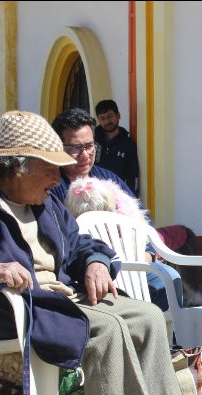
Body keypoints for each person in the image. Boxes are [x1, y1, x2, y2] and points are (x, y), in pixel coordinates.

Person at [0, 110, 194, 395]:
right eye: (50, 168)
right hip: (19, 304)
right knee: (106, 329)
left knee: (146, 316)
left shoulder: (45, 201)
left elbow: (82, 243)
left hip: (62, 295)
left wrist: (97, 263)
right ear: (18, 168)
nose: (58, 178)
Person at [49, 108, 183, 312]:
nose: (85, 155)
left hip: (130, 262)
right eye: (75, 148)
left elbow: (143, 224)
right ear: (59, 148)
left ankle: (172, 342)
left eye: (90, 146)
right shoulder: (51, 187)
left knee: (168, 278)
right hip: (82, 270)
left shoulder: (109, 178)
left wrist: (146, 254)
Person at [94, 99, 140, 195]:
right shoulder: (92, 140)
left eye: (110, 116)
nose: (107, 121)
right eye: (102, 118)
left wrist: (132, 198)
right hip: (93, 193)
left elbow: (133, 175)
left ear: (118, 115)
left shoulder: (128, 143)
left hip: (117, 196)